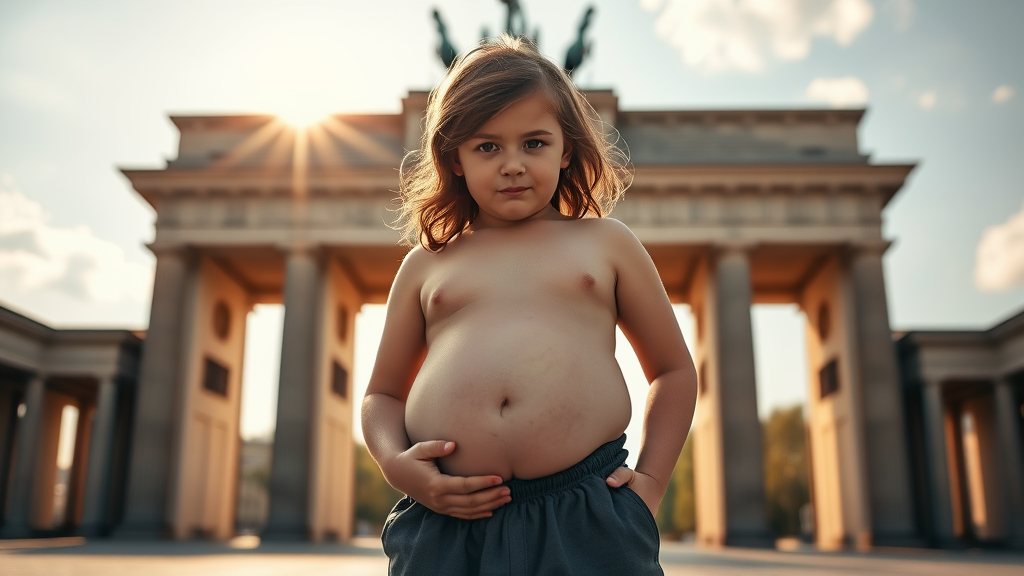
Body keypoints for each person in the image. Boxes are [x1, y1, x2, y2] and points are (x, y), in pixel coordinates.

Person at [361, 35, 697, 576]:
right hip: (447, 518)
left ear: (567, 149)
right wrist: (397, 466)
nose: (512, 164)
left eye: (534, 143)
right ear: (455, 159)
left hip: (588, 512)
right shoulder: (428, 263)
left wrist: (650, 488)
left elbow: (674, 370)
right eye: (487, 147)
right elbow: (381, 393)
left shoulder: (606, 243)